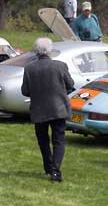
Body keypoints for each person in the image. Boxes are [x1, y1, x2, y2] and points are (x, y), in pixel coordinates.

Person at [21, 38, 76, 183]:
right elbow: (71, 84)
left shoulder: (29, 68)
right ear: (50, 51)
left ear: (36, 51)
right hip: (59, 108)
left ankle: (48, 167)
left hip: (39, 109)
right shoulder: (60, 66)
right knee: (58, 140)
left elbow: (25, 91)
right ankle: (55, 171)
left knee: (43, 140)